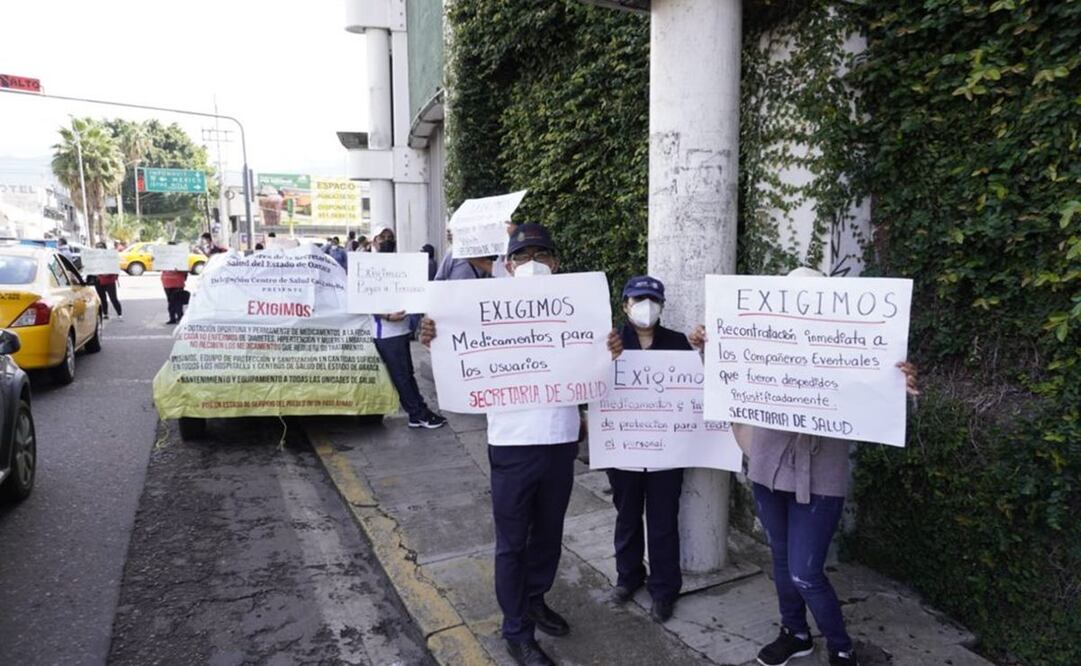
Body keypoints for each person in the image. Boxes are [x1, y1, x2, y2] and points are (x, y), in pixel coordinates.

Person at [688, 266, 919, 666]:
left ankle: (841, 647)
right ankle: (794, 633)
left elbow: (879, 404)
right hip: (768, 470)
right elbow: (731, 380)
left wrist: (901, 386)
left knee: (805, 572)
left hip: (821, 480)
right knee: (781, 559)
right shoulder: (767, 342)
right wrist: (710, 345)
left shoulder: (845, 351)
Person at [420, 223, 624, 666]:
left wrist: (611, 348)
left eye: (542, 255)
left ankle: (535, 598)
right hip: (512, 444)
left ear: (555, 263)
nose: (533, 263)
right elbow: (453, 346)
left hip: (560, 441)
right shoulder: (483, 308)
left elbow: (593, 362)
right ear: (507, 265)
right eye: (523, 255)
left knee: (549, 535)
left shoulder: (579, 307)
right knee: (513, 542)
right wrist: (435, 338)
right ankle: (516, 630)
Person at [606, 275, 691, 624]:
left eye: (652, 300)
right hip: (623, 449)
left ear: (662, 306)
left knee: (662, 522)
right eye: (638, 299)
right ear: (625, 305)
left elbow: (696, 388)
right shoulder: (610, 342)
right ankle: (628, 578)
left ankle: (664, 590)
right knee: (626, 517)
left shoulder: (678, 343)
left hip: (665, 453)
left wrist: (705, 349)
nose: (646, 307)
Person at [370, 225, 447, 429]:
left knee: (406, 373)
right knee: (402, 375)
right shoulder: (366, 266)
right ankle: (418, 413)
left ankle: (417, 412)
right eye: (382, 237)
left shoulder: (399, 264)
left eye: (390, 237)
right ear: (373, 241)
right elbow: (361, 302)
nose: (387, 240)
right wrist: (386, 316)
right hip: (385, 332)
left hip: (402, 328)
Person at [91, 241, 123, 320]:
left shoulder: (110, 257)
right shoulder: (93, 258)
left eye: (101, 247)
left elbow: (116, 268)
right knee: (102, 298)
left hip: (109, 281)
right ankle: (105, 313)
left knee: (113, 298)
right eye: (97, 247)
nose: (99, 249)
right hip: (98, 281)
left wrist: (109, 273)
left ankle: (119, 313)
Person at [160, 246, 188, 325]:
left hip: (174, 283)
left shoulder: (180, 259)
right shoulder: (163, 259)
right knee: (172, 302)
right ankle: (175, 318)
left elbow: (185, 271)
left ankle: (176, 318)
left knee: (175, 302)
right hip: (170, 283)